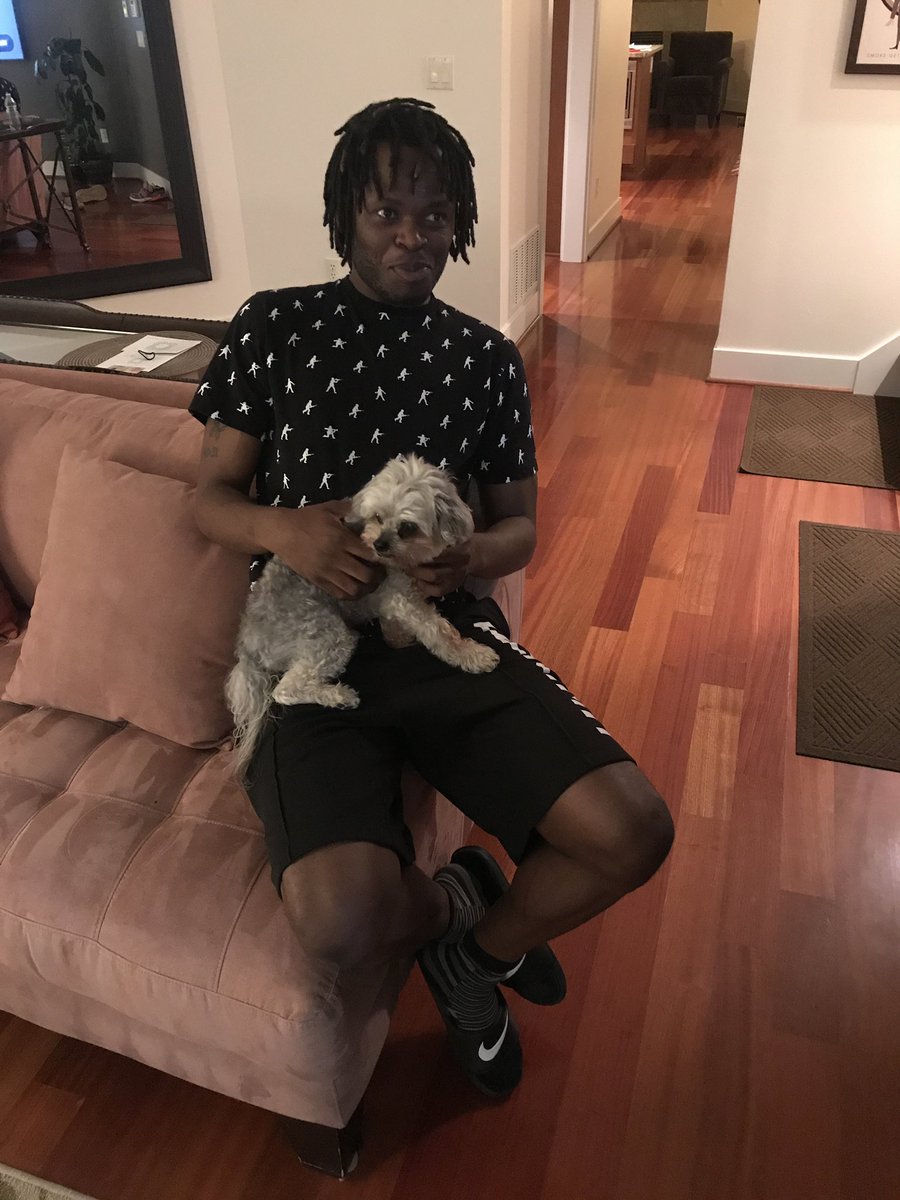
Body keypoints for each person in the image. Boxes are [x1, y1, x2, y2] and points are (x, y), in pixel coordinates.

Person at [190, 98, 674, 1099]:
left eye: (436, 215)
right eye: (386, 213)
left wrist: (472, 555)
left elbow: (520, 528)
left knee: (631, 831)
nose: (413, 236)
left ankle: (473, 957)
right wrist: (285, 529)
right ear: (346, 219)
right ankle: (454, 909)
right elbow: (209, 500)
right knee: (338, 918)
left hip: (442, 631)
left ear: (458, 225)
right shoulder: (275, 327)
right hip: (306, 650)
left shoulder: (484, 358)